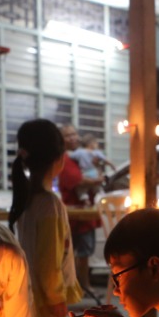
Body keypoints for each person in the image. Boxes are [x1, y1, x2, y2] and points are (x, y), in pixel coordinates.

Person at [8, 119, 85, 317]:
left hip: (24, 297)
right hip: (44, 298)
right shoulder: (49, 204)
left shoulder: (26, 200)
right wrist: (57, 297)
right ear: (60, 159)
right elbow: (50, 260)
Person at [57, 123, 103, 301]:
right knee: (79, 253)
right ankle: (82, 287)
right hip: (75, 214)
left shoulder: (79, 156)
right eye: (68, 136)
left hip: (84, 212)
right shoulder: (64, 159)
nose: (73, 138)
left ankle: (80, 286)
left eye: (74, 134)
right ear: (61, 140)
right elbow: (77, 181)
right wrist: (97, 179)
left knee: (81, 252)